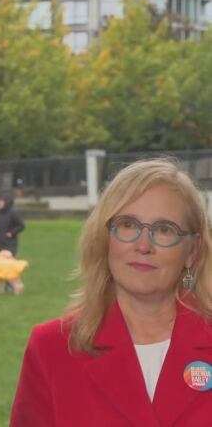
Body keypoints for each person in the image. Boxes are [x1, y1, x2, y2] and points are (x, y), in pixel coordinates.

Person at [11, 159, 212, 427]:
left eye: (164, 230)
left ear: (193, 252)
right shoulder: (50, 348)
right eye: (128, 224)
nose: (143, 245)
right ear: (104, 238)